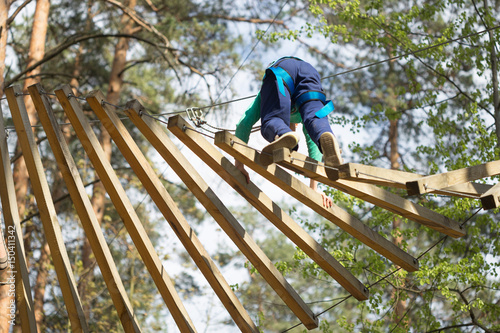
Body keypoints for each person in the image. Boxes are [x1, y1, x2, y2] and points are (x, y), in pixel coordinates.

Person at [234, 56, 343, 207]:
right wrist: (314, 188)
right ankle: (324, 132)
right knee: (316, 123)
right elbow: (313, 146)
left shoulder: (266, 99)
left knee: (272, 120)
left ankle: (282, 132)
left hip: (282, 70)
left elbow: (243, 124)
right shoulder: (302, 117)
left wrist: (239, 163)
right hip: (309, 72)